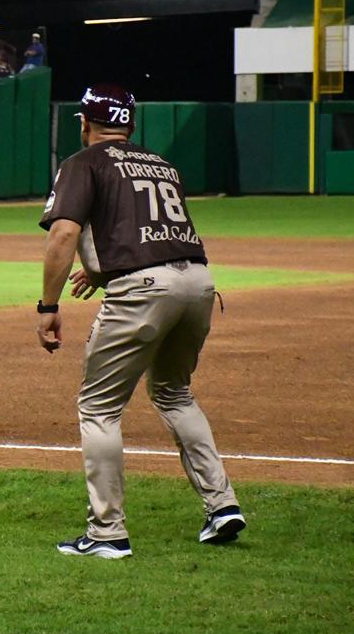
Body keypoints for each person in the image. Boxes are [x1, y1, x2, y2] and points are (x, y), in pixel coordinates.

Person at [37, 83, 244, 559]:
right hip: (199, 283)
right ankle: (222, 505)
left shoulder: (83, 162)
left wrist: (48, 307)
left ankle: (107, 533)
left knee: (99, 408)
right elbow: (147, 228)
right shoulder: (161, 163)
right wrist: (99, 270)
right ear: (130, 124)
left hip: (144, 289)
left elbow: (64, 233)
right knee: (174, 392)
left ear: (85, 123)